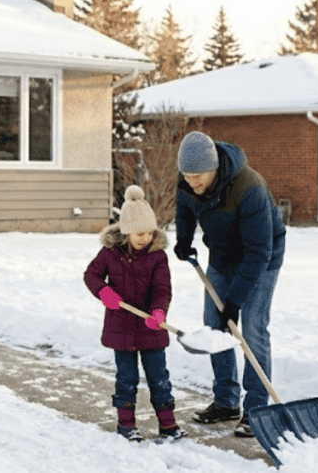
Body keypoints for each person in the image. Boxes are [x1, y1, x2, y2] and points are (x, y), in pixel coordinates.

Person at [173, 131, 285, 439]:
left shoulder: (249, 188)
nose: (191, 182)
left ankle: (256, 409)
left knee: (253, 331)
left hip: (261, 259)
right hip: (222, 258)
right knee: (215, 328)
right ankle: (226, 402)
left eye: (197, 176)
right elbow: (184, 206)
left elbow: (259, 251)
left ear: (214, 170)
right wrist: (184, 238)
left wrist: (235, 301)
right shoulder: (188, 183)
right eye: (186, 176)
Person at [84, 185, 185, 442]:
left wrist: (159, 313)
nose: (145, 238)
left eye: (150, 232)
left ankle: (168, 424)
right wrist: (105, 293)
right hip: (121, 327)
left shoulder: (157, 256)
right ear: (127, 231)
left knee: (159, 377)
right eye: (139, 233)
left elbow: (163, 289)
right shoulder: (110, 253)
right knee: (126, 379)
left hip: (151, 327)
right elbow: (91, 275)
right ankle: (126, 424)